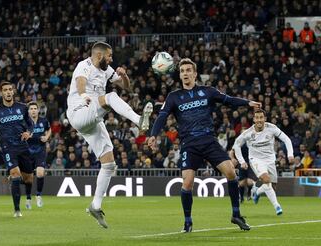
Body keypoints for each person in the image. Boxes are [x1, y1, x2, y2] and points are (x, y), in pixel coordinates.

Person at [147, 58, 261, 232]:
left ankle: (236, 214)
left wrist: (247, 103)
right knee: (188, 183)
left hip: (209, 141)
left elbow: (228, 100)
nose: (185, 73)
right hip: (189, 144)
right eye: (182, 71)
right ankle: (187, 222)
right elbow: (162, 117)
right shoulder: (173, 97)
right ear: (180, 75)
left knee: (231, 172)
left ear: (195, 74)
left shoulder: (208, 91)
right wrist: (153, 135)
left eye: (188, 70)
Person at [66, 41, 153, 228]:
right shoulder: (85, 65)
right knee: (110, 97)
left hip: (93, 120)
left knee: (109, 163)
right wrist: (83, 96)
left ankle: (95, 206)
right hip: (79, 111)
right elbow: (80, 82)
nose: (111, 59)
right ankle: (139, 120)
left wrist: (124, 76)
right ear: (99, 55)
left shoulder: (106, 69)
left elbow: (126, 87)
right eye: (109, 56)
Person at [233, 109, 294, 215]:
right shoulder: (248, 133)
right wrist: (242, 161)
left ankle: (257, 191)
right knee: (266, 179)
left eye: (261, 117)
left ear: (265, 119)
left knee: (272, 187)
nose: (259, 120)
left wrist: (290, 154)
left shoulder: (272, 128)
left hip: (270, 159)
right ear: (254, 119)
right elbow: (236, 145)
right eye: (257, 118)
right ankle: (277, 206)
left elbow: (286, 139)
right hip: (256, 160)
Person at [0, 81, 34, 217]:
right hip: (7, 148)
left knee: (28, 179)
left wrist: (28, 133)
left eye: (10, 89)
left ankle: (15, 180)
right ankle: (17, 210)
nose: (8, 92)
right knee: (15, 174)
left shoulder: (23, 108)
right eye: (5, 90)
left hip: (23, 146)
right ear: (1, 93)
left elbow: (30, 124)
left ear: (13, 91)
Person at [27, 101, 51, 208]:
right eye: (31, 109)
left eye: (34, 109)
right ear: (28, 111)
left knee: (40, 173)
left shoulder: (44, 121)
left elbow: (49, 129)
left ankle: (38, 195)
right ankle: (28, 198)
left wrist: (46, 137)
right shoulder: (25, 123)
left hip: (40, 151)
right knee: (28, 177)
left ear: (38, 110)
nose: (33, 110)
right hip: (27, 152)